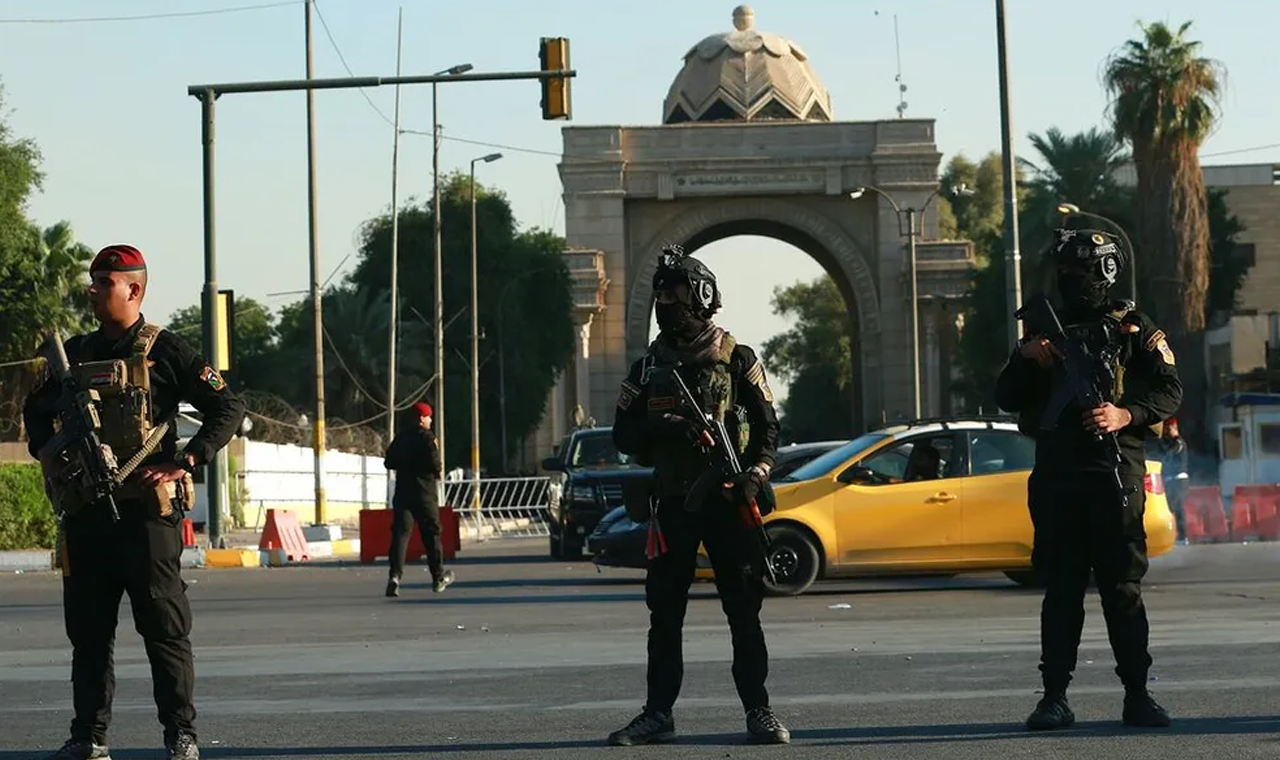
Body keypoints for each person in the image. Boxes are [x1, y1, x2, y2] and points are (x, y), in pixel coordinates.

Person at [22, 244, 247, 760]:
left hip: (146, 516)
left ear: (134, 290)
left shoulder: (166, 351)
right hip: (86, 514)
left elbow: (228, 406)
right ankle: (89, 735)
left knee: (164, 628)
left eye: (104, 282)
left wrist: (185, 461)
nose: (94, 290)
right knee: (89, 635)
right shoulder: (73, 354)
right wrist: (48, 454)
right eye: (94, 281)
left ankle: (180, 733)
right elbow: (35, 411)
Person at [995, 227, 1182, 731]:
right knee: (1062, 591)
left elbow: (1170, 391)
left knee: (1122, 588)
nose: (1070, 281)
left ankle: (1138, 695)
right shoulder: (1043, 334)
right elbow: (1007, 396)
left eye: (1079, 272)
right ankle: (1054, 696)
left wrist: (1125, 414)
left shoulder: (1134, 328)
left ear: (1105, 272)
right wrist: (1025, 358)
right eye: (1064, 273)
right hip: (1058, 475)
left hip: (1113, 474)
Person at [606, 244, 788, 746]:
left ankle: (759, 710)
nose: (666, 302)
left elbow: (770, 430)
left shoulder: (737, 359)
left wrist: (755, 474)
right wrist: (664, 427)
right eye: (660, 293)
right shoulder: (647, 369)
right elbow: (623, 436)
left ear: (702, 296)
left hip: (729, 504)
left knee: (744, 612)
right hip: (673, 504)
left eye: (676, 292)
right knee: (664, 615)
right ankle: (657, 713)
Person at [383, 401, 454, 596]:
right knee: (431, 534)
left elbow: (389, 462)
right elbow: (434, 462)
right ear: (422, 418)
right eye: (429, 417)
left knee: (400, 535)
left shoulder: (401, 438)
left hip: (403, 494)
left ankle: (395, 577)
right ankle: (438, 576)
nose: (430, 420)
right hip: (424, 494)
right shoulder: (427, 437)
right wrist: (437, 471)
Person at [1159, 418, 1189, 542]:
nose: (1166, 431)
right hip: (1171, 480)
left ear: (1174, 428)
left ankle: (1182, 536)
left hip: (1179, 480)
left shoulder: (1179, 443)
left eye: (1168, 429)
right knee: (1170, 507)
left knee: (1178, 507)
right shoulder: (1169, 442)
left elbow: (1169, 454)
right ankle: (1175, 535)